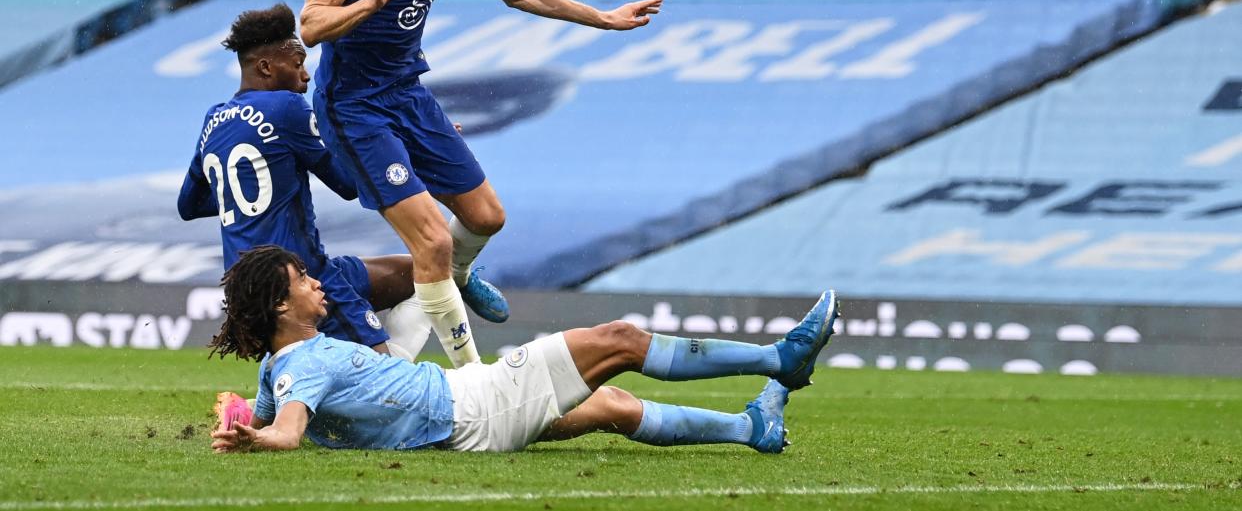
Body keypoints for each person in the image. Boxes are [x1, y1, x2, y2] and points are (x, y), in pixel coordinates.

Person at [299, 0, 663, 366]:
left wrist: (604, 19)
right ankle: (472, 375)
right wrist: (371, 3)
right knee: (433, 243)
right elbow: (309, 26)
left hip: (408, 94)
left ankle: (455, 281)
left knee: (486, 217)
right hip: (353, 106)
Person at [208, 246, 840, 454]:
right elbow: (287, 433)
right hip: (473, 405)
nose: (315, 282)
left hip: (458, 423)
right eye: (302, 280)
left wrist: (236, 423)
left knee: (613, 404)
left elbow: (270, 417)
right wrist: (261, 437)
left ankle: (749, 427)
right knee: (617, 341)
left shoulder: (281, 366)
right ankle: (780, 359)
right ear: (280, 307)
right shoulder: (303, 365)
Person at [177, 4, 429, 358]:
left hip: (247, 288)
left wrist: (259, 189)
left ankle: (460, 281)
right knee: (388, 388)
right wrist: (404, 151)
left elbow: (188, 206)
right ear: (266, 67)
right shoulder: (286, 107)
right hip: (300, 279)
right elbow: (347, 184)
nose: (306, 76)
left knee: (421, 273)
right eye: (297, 64)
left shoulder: (214, 119)